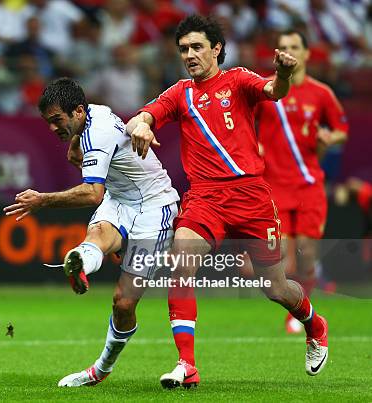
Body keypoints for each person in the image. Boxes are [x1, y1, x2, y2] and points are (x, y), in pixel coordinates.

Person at [124, 14, 329, 387]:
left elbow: (273, 92)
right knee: (181, 264)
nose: (189, 55)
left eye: (197, 47)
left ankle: (315, 324)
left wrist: (282, 74)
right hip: (204, 197)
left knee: (275, 287)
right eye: (184, 49)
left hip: (250, 195)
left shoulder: (237, 80)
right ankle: (187, 364)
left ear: (216, 49)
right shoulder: (179, 92)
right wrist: (140, 123)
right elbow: (145, 115)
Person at [4, 77, 180, 387]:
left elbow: (92, 194)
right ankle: (82, 261)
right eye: (48, 122)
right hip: (120, 199)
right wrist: (74, 147)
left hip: (155, 209)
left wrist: (42, 200)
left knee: (123, 304)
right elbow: (77, 156)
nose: (52, 128)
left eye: (57, 120)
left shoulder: (97, 133)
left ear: (78, 111)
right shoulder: (92, 115)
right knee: (98, 234)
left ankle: (100, 369)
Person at [255, 30, 348, 333]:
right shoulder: (266, 89)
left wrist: (328, 137)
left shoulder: (321, 93)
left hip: (308, 183)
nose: (289, 51)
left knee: (307, 253)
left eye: (294, 47)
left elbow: (341, 129)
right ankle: (296, 310)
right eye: (283, 47)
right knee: (282, 256)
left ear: (307, 54)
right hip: (274, 184)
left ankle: (304, 309)